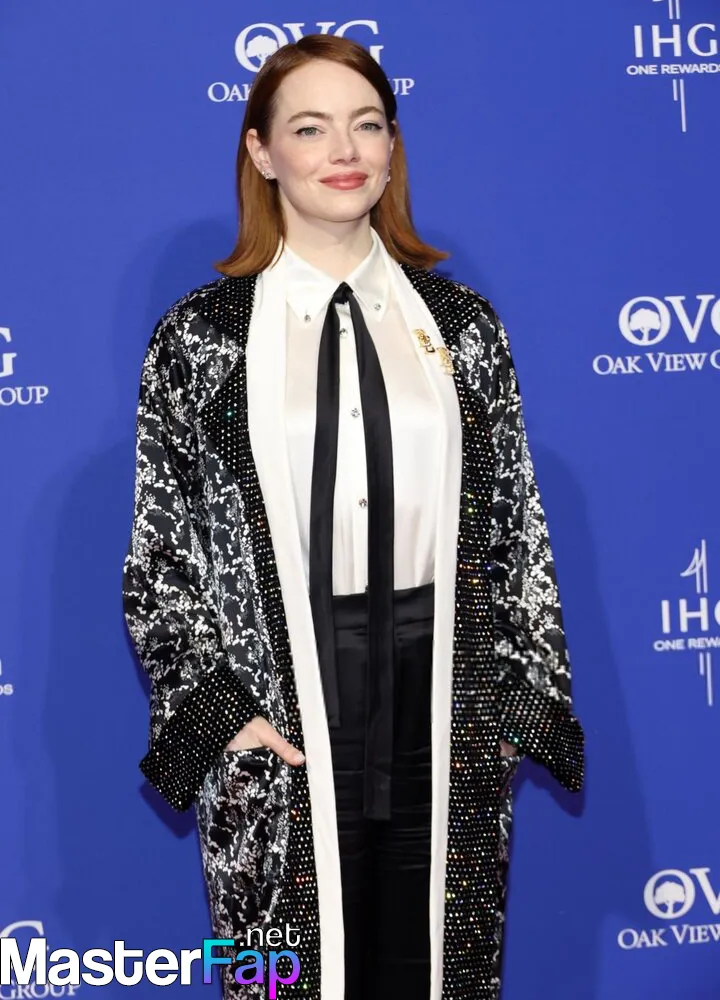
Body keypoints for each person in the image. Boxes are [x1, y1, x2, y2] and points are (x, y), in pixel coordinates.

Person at [122, 33, 584, 1000]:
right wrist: (225, 718)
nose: (344, 150)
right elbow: (161, 554)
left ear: (392, 146)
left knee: (445, 969)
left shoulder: (462, 325)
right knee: (279, 978)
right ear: (261, 153)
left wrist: (508, 704)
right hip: (281, 702)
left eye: (367, 125)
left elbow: (515, 527)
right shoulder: (199, 339)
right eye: (310, 128)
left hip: (441, 691)